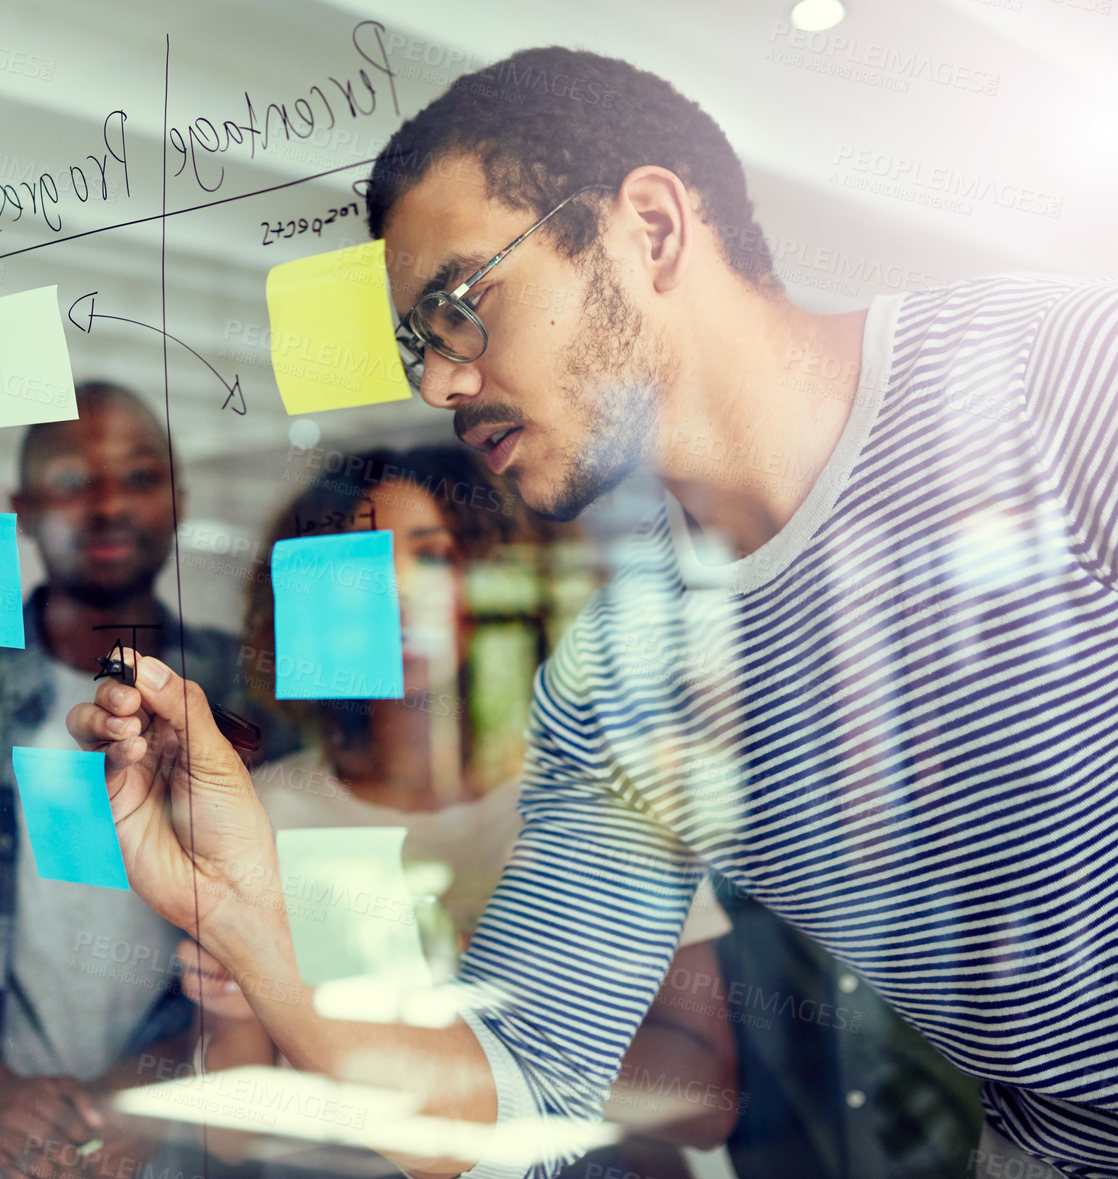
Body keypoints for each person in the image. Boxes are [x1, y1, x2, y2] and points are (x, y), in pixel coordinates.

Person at [67, 45, 1118, 1179]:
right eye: (414, 342)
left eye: (459, 305)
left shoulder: (1060, 380)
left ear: (651, 228)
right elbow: (518, 1087)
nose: (437, 383)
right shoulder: (617, 684)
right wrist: (244, 919)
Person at [182, 446, 738, 1179]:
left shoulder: (601, 795)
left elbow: (708, 1099)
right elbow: (230, 1134)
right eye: (366, 566)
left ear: (496, 578)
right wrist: (244, 996)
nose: (402, 591)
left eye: (435, 556)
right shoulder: (271, 810)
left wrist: (499, 1015)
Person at [0, 381, 281, 1179]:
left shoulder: (243, 699)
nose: (107, 504)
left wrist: (153, 1079)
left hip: (196, 1152)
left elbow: (291, 950)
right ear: (24, 508)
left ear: (179, 500)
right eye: (72, 479)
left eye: (139, 476)